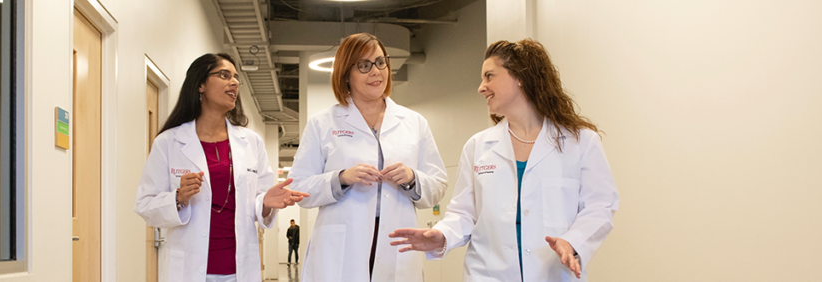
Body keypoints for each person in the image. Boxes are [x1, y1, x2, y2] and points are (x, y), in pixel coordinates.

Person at [389, 39, 620, 282]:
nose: (481, 87)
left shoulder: (580, 142)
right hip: (487, 275)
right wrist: (442, 235)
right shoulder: (478, 146)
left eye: (489, 76)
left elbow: (600, 207)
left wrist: (572, 241)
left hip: (553, 274)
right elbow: (464, 213)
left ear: (520, 76)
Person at [287, 32, 449, 282]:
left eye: (380, 62)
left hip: (396, 242)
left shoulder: (414, 122)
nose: (376, 71)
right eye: (364, 65)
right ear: (345, 74)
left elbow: (437, 184)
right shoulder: (323, 123)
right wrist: (341, 178)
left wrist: (411, 177)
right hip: (342, 244)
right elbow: (298, 186)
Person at [133, 53, 309, 282]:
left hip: (239, 270)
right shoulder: (169, 142)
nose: (234, 82)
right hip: (190, 269)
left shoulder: (251, 142)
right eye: (224, 75)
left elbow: (259, 203)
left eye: (236, 78)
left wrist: (266, 203)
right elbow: (145, 205)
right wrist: (178, 196)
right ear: (201, 84)